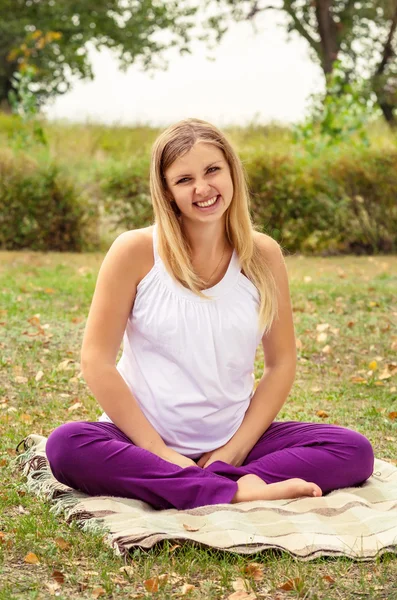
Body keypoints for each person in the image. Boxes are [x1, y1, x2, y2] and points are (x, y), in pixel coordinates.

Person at [46, 118, 374, 510]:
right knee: (67, 447)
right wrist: (158, 452)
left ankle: (205, 483)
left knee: (352, 450)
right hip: (138, 441)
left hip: (233, 440)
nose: (202, 188)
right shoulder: (134, 251)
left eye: (212, 170)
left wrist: (233, 451)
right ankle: (235, 491)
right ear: (167, 192)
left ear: (231, 172)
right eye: (184, 179)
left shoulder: (263, 255)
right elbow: (95, 361)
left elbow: (281, 364)